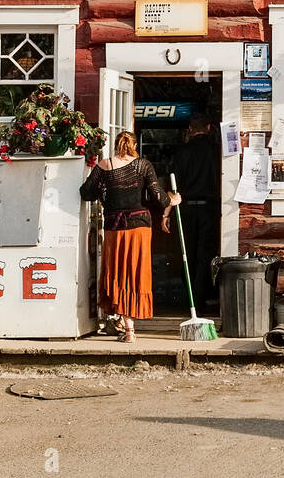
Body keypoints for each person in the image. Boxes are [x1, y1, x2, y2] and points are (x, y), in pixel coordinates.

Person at [80, 131, 180, 343]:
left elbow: (86, 192)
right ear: (134, 146)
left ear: (116, 145)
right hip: (140, 227)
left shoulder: (105, 165)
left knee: (118, 273)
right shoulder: (143, 165)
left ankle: (126, 327)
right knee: (135, 274)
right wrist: (173, 199)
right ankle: (127, 326)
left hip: (115, 226)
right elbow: (158, 196)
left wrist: (105, 191)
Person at [169, 113, 221, 314]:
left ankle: (191, 300)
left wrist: (167, 212)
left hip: (186, 206)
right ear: (208, 127)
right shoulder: (216, 151)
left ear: (190, 129)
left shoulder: (182, 152)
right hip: (209, 207)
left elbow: (173, 183)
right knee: (205, 253)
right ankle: (201, 298)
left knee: (187, 252)